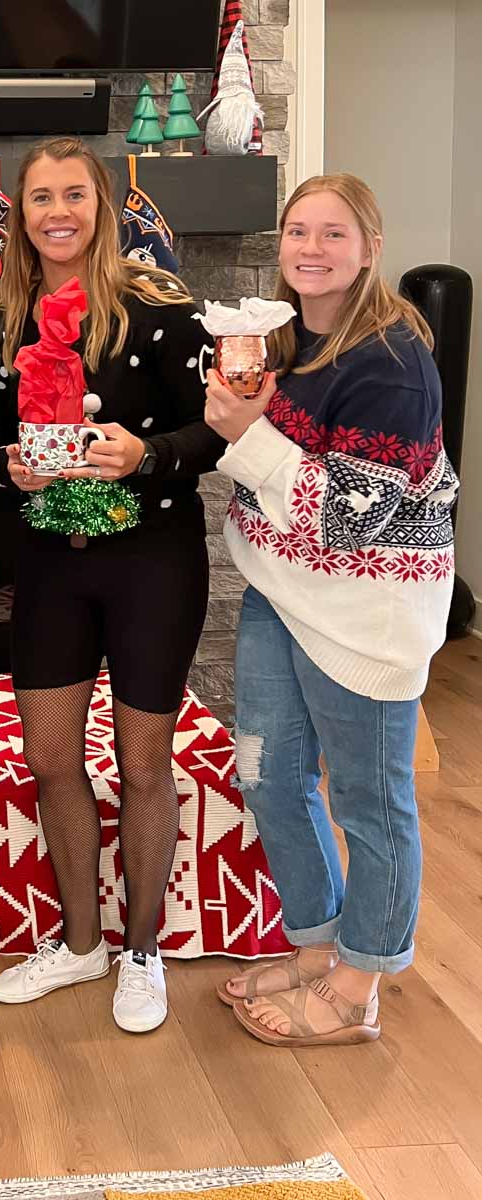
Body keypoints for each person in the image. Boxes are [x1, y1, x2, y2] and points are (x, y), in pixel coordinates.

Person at [0, 138, 222, 1033]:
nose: (57, 213)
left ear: (102, 204)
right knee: (50, 760)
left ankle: (144, 950)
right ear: (22, 215)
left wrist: (145, 454)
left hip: (152, 558)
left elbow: (213, 434)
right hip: (48, 564)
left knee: (145, 761)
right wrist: (14, 471)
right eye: (41, 198)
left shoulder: (160, 307)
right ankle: (81, 944)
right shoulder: (1, 324)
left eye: (74, 195)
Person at [209, 174, 457, 1046]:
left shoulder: (393, 360)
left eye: (333, 234)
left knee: (368, 798)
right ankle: (316, 945)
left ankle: (360, 983)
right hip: (284, 598)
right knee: (269, 777)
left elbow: (355, 516)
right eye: (296, 231)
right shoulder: (283, 347)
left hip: (367, 613)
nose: (310, 249)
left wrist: (249, 435)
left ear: (370, 247)